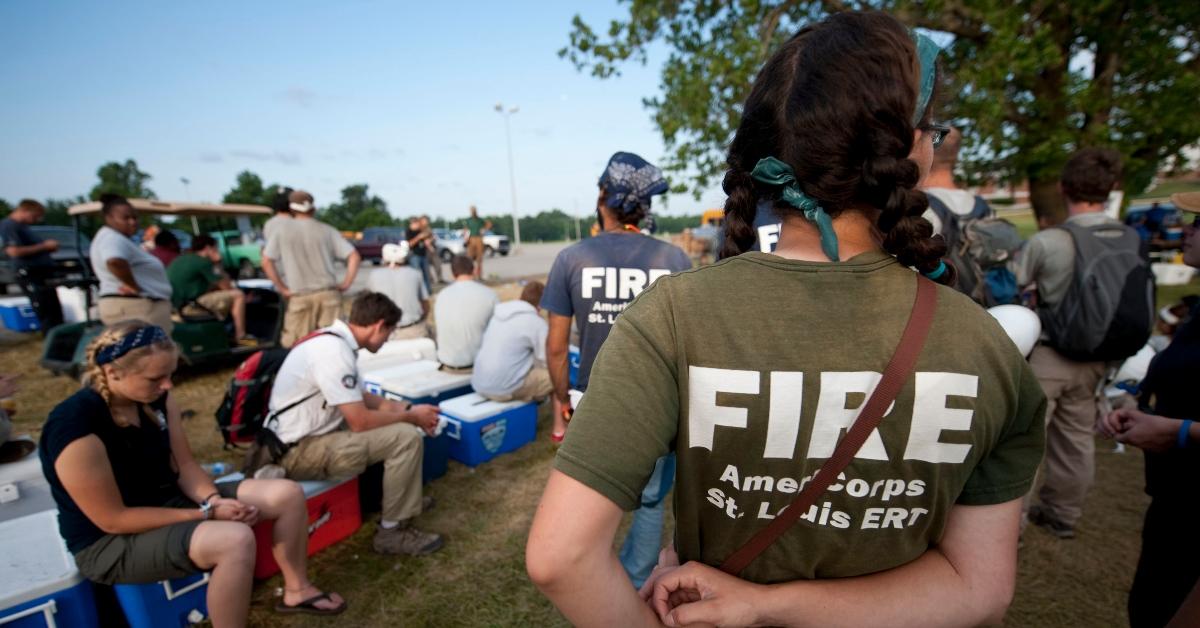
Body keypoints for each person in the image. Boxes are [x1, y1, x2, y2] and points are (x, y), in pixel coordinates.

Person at [526, 12, 1046, 627]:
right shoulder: (987, 349)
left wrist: (753, 602)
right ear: (912, 150)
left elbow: (561, 557)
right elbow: (978, 587)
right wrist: (771, 606)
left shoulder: (672, 317)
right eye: (933, 128)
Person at [39, 321, 346, 625]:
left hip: (168, 501)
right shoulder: (76, 428)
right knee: (234, 540)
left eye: (171, 374)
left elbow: (184, 465)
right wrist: (206, 514)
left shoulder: (155, 398)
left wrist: (212, 500)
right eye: (155, 378)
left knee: (286, 494)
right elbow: (114, 519)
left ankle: (297, 590)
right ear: (113, 372)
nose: (168, 386)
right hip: (109, 541)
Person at [539, 150, 692, 588]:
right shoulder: (673, 260)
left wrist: (563, 400)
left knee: (589, 495)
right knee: (648, 502)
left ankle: (590, 580)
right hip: (659, 401)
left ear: (603, 196)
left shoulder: (571, 257)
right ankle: (633, 575)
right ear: (644, 207)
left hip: (593, 395)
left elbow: (555, 348)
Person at [267, 292, 444, 556]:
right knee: (405, 437)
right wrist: (410, 418)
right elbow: (360, 421)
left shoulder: (333, 341)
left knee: (396, 427)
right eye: (389, 333)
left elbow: (361, 398)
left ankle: (392, 500)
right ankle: (391, 532)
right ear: (378, 325)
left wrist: (409, 408)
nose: (387, 341)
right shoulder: (334, 353)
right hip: (298, 451)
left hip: (300, 439)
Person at [1016, 148, 1135, 539]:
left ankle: (1009, 525)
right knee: (1077, 438)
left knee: (1023, 441)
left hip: (1050, 355)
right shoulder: (1131, 239)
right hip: (1100, 358)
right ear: (1111, 188)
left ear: (1063, 186)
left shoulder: (1050, 241)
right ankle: (1062, 514)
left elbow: (1016, 285)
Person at [1097, 191, 1200, 628]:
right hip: (1175, 502)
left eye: (1199, 221)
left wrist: (1179, 432)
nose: (1187, 229)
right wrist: (1135, 402)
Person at [262, 190, 360, 347]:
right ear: (313, 209)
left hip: (299, 295)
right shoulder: (327, 230)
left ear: (291, 209)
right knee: (333, 345)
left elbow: (267, 261)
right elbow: (354, 256)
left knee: (296, 346)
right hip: (329, 295)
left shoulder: (281, 231)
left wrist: (282, 288)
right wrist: (346, 283)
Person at [90, 194, 174, 332]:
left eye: (135, 217)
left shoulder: (116, 238)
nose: (132, 222)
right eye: (126, 218)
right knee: (151, 351)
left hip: (135, 306)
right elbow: (115, 261)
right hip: (136, 307)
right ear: (109, 218)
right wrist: (135, 287)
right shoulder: (112, 238)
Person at [471, 281, 551, 402]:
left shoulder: (498, 314)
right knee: (557, 377)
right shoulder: (536, 322)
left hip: (478, 383)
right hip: (503, 389)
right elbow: (546, 359)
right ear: (540, 305)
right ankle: (560, 418)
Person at [166, 235, 254, 345]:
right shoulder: (203, 262)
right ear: (208, 248)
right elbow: (226, 287)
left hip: (177, 307)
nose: (218, 251)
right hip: (190, 307)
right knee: (238, 295)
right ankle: (241, 336)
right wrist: (218, 262)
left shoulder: (182, 259)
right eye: (216, 248)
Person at [0, 198, 64, 331]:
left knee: (54, 312)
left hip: (41, 274)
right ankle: (52, 342)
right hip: (29, 274)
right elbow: (13, 251)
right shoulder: (9, 225)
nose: (37, 220)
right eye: (35, 216)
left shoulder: (23, 227)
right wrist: (44, 246)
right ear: (25, 211)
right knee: (46, 313)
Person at [433, 255, 498, 370]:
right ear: (474, 270)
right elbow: (500, 332)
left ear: (453, 274)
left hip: (447, 365)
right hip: (478, 368)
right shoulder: (489, 294)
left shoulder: (441, 295)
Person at [366, 242, 430, 340]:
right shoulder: (415, 274)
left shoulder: (373, 275)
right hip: (413, 330)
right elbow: (425, 304)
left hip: (384, 333)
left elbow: (369, 305)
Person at [404, 216, 432, 293]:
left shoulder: (420, 230)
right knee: (415, 275)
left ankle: (428, 291)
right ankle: (416, 291)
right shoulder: (409, 231)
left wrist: (429, 240)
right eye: (416, 223)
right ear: (412, 224)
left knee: (426, 275)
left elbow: (428, 235)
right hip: (414, 256)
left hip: (423, 254)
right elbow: (409, 244)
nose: (417, 225)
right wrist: (418, 238)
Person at [463, 206, 492, 279]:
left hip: (479, 239)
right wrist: (466, 238)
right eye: (472, 210)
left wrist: (484, 229)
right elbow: (465, 230)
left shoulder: (480, 220)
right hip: (471, 239)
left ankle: (479, 275)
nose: (473, 212)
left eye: (474, 210)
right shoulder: (468, 220)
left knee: (479, 258)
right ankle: (471, 275)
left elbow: (489, 224)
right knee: (470, 258)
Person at [420, 215, 444, 286]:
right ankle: (430, 280)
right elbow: (425, 241)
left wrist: (432, 239)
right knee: (427, 267)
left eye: (427, 220)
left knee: (437, 264)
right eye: (425, 220)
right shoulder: (421, 229)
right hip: (427, 250)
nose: (427, 222)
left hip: (432, 248)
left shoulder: (428, 228)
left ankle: (440, 279)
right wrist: (430, 247)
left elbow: (433, 237)